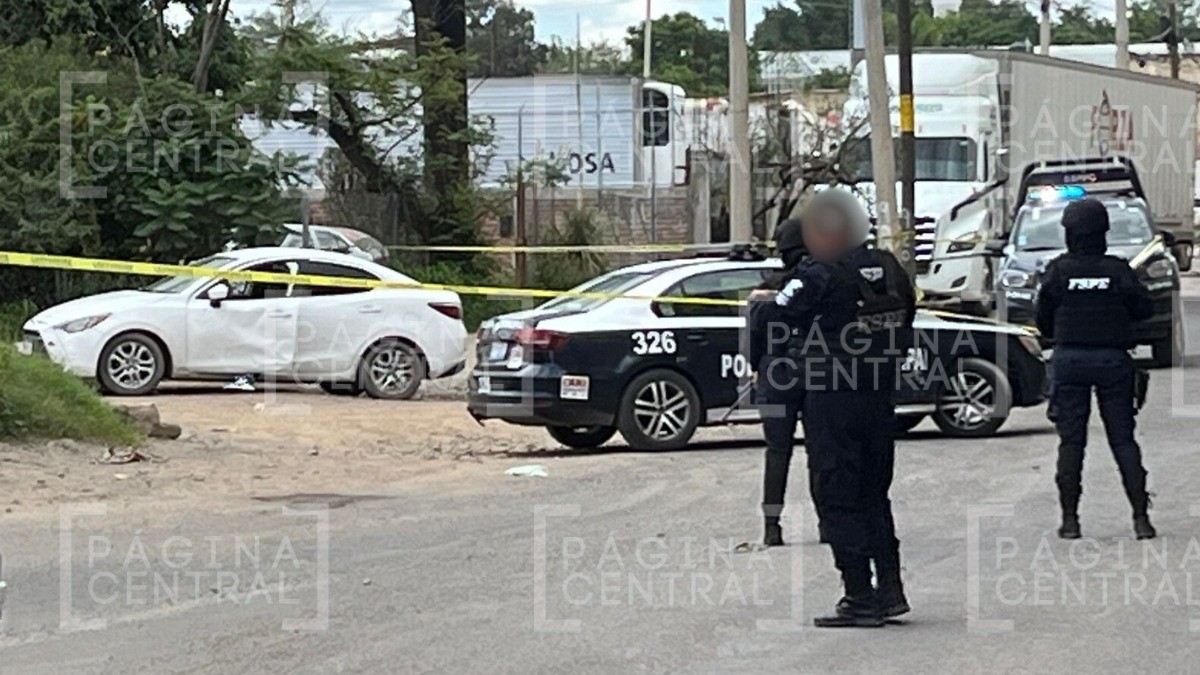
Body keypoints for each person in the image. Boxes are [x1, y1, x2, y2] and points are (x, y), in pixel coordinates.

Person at [763, 189, 916, 628]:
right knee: (873, 493)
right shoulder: (888, 266)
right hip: (879, 393)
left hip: (833, 394)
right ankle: (890, 588)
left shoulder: (820, 271)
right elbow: (907, 314)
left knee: (835, 494)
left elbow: (778, 315)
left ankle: (859, 596)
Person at [1035, 198, 1157, 541]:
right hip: (1113, 361)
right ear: (1103, 231)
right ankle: (1141, 518)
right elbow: (1144, 310)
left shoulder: (1058, 271)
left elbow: (1042, 317)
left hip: (1070, 361)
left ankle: (1070, 521)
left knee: (1072, 443)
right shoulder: (1118, 270)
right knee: (1123, 440)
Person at [748, 218, 808, 548]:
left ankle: (772, 525)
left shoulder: (764, 291)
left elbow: (753, 342)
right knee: (821, 451)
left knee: (777, 452)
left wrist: (759, 367)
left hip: (775, 375)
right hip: (815, 372)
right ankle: (828, 524)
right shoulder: (819, 283)